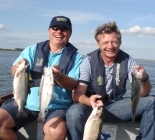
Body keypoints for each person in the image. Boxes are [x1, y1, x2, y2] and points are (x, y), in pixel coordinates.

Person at [66, 21, 155, 140]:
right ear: (98, 44)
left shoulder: (128, 61)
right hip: (91, 107)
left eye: (114, 42)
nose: (110, 46)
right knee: (73, 113)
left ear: (120, 43)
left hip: (115, 107)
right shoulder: (88, 62)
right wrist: (90, 101)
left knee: (151, 102)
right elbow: (77, 94)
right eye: (105, 42)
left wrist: (144, 78)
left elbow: (143, 94)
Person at [0, 15, 83, 140]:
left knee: (57, 132)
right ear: (49, 30)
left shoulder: (77, 58)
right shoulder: (32, 50)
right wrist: (18, 67)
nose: (59, 31)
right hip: (25, 103)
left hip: (55, 107)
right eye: (55, 27)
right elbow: (13, 71)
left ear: (70, 33)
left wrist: (59, 76)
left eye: (64, 29)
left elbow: (73, 85)